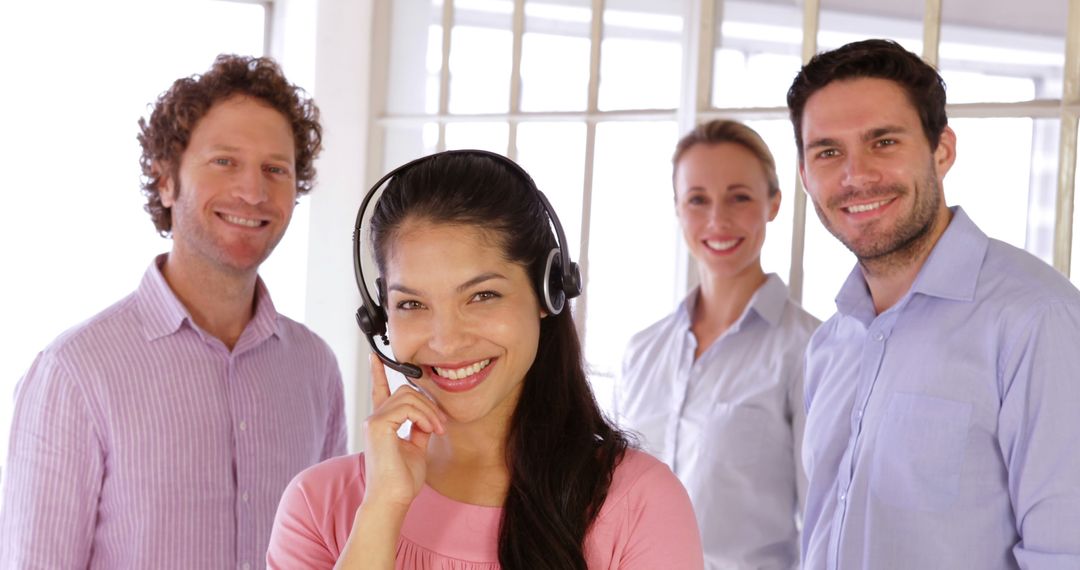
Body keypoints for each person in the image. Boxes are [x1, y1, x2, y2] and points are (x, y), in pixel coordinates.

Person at [265, 150, 704, 569]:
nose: (448, 341)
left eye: (482, 296)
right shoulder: (318, 503)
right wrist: (383, 507)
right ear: (381, 316)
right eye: (412, 304)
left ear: (547, 293)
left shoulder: (639, 502)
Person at [0, 54, 347, 569]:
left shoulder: (314, 367)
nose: (253, 192)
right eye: (224, 161)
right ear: (165, 180)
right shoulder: (74, 372)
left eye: (276, 169)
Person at [788, 38, 1080, 569]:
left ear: (941, 150)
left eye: (884, 142)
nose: (855, 176)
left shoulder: (1037, 320)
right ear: (806, 175)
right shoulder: (831, 343)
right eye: (828, 152)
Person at [614, 120, 819, 569]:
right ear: (677, 208)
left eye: (739, 197)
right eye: (697, 200)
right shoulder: (642, 352)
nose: (717, 220)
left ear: (774, 203)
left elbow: (823, 524)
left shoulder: (810, 350)